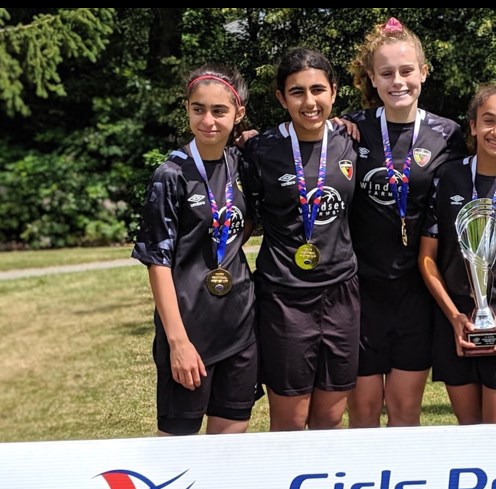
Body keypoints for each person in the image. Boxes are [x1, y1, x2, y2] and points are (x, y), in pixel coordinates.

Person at [343, 17, 467, 428]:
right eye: (387, 73)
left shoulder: (448, 134)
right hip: (360, 290)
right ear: (372, 79)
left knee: (404, 412)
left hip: (416, 292)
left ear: (424, 73)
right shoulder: (350, 130)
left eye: (407, 70)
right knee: (361, 413)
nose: (398, 81)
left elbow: (494, 159)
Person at [132, 64, 257, 436]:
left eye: (219, 111)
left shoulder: (243, 163)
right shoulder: (170, 175)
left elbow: (241, 225)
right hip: (189, 331)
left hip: (239, 326)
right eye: (198, 109)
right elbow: (158, 262)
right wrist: (178, 342)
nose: (208, 120)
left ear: (238, 114)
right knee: (178, 448)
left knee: (231, 440)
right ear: (186, 109)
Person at [243, 48, 360, 431]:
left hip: (341, 292)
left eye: (318, 90)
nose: (309, 102)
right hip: (285, 298)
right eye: (297, 92)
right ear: (281, 98)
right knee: (290, 422)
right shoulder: (260, 149)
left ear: (334, 91)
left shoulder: (350, 139)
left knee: (329, 418)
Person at [418, 83, 496, 427]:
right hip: (456, 320)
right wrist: (454, 316)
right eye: (488, 120)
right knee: (470, 434)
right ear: (473, 125)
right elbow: (427, 258)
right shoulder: (446, 177)